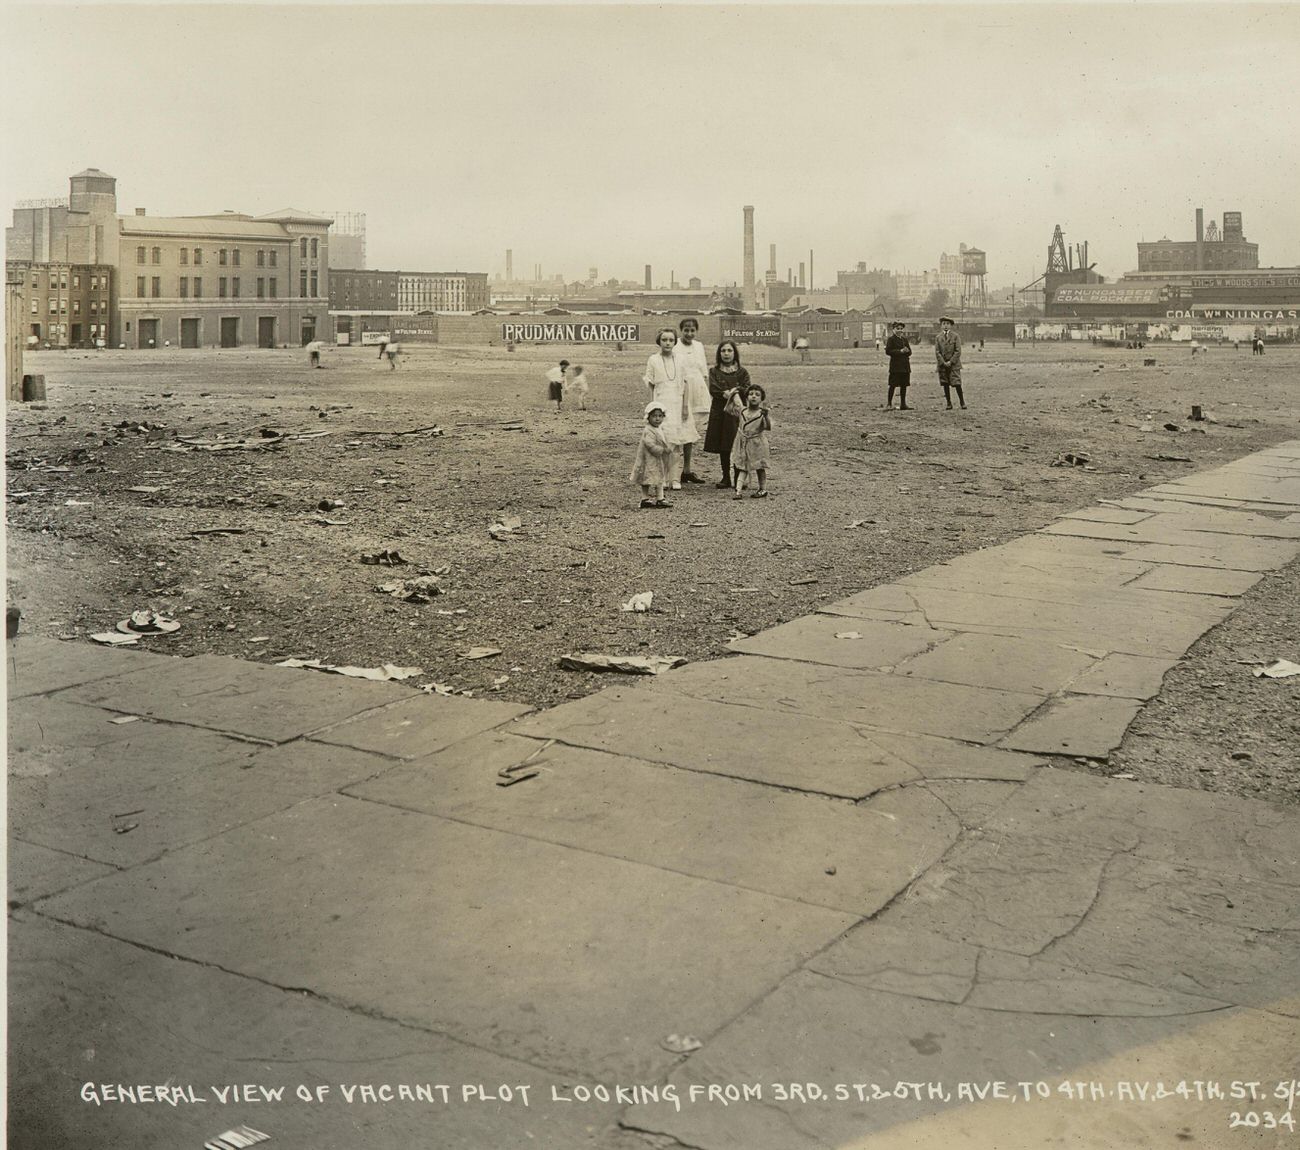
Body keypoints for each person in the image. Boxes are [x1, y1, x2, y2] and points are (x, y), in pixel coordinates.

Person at [643, 328, 695, 490]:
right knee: (662, 442)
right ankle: (663, 478)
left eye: (671, 340)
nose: (667, 343)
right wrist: (652, 407)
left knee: (676, 444)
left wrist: (685, 406)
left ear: (674, 342)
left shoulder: (681, 359)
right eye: (664, 340)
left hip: (677, 403)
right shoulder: (653, 359)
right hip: (661, 403)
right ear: (659, 341)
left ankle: (675, 478)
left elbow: (686, 383)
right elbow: (651, 384)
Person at [704, 340, 750, 489]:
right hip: (720, 411)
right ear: (719, 354)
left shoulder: (742, 372)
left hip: (736, 413)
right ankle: (726, 476)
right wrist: (727, 393)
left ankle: (738, 477)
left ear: (734, 353)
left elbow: (747, 388)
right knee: (723, 444)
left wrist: (736, 392)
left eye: (729, 351)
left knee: (737, 443)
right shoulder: (714, 371)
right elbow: (714, 389)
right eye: (723, 351)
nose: (726, 354)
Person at [675, 318, 711, 483]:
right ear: (681, 330)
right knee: (678, 429)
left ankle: (687, 470)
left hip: (697, 389)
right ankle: (673, 471)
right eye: (686, 330)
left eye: (692, 330)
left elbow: (703, 371)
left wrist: (707, 392)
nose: (689, 333)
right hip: (680, 389)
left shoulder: (699, 346)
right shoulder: (674, 345)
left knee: (691, 430)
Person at [630, 400, 673, 509]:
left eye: (660, 416)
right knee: (646, 478)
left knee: (659, 477)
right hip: (648, 458)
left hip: (657, 459)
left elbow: (663, 439)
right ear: (648, 417)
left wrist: (668, 447)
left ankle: (660, 498)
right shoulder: (648, 430)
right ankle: (645, 498)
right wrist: (662, 450)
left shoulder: (659, 429)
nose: (657, 418)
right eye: (654, 416)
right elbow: (649, 444)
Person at [731, 384, 772, 499]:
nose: (753, 397)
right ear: (747, 397)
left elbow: (767, 427)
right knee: (743, 466)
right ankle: (738, 490)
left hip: (757, 443)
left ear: (761, 399)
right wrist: (735, 392)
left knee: (759, 466)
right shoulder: (743, 411)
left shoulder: (761, 413)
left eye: (757, 395)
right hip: (744, 442)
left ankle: (762, 489)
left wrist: (766, 416)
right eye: (751, 394)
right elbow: (736, 402)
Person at [936, 315, 965, 409]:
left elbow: (958, 351)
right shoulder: (938, 337)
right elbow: (937, 351)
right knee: (945, 383)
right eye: (943, 324)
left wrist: (951, 362)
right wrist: (943, 362)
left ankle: (962, 402)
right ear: (941, 325)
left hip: (954, 365)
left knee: (957, 383)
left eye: (948, 324)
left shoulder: (955, 336)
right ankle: (948, 403)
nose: (945, 326)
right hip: (942, 365)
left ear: (951, 325)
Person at [884, 320, 912, 410]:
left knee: (904, 385)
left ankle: (903, 404)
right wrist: (900, 351)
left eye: (901, 329)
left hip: (905, 366)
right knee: (893, 385)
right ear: (893, 329)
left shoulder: (904, 339)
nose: (899, 330)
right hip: (895, 366)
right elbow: (888, 351)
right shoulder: (891, 339)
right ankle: (889, 403)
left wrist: (907, 351)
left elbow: (910, 352)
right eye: (897, 328)